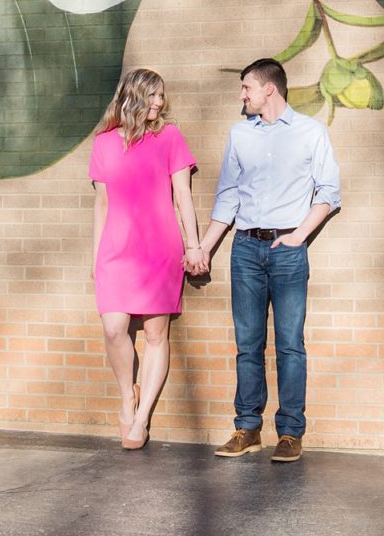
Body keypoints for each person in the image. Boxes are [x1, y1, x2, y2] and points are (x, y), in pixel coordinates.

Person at [186, 57, 340, 463]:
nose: (242, 96)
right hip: (246, 250)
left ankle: (289, 433)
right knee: (247, 344)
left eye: (246, 89)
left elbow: (329, 192)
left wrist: (298, 237)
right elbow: (228, 197)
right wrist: (204, 248)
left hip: (288, 252)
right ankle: (247, 428)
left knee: (290, 344)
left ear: (269, 89)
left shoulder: (310, 132)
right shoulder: (240, 135)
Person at [90, 68, 207, 450]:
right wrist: (95, 258)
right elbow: (102, 204)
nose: (159, 102)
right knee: (113, 329)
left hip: (160, 247)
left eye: (162, 96)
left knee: (157, 334)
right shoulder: (105, 143)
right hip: (116, 250)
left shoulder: (169, 137)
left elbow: (182, 196)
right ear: (134, 97)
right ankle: (128, 394)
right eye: (153, 95)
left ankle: (140, 419)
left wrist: (193, 245)